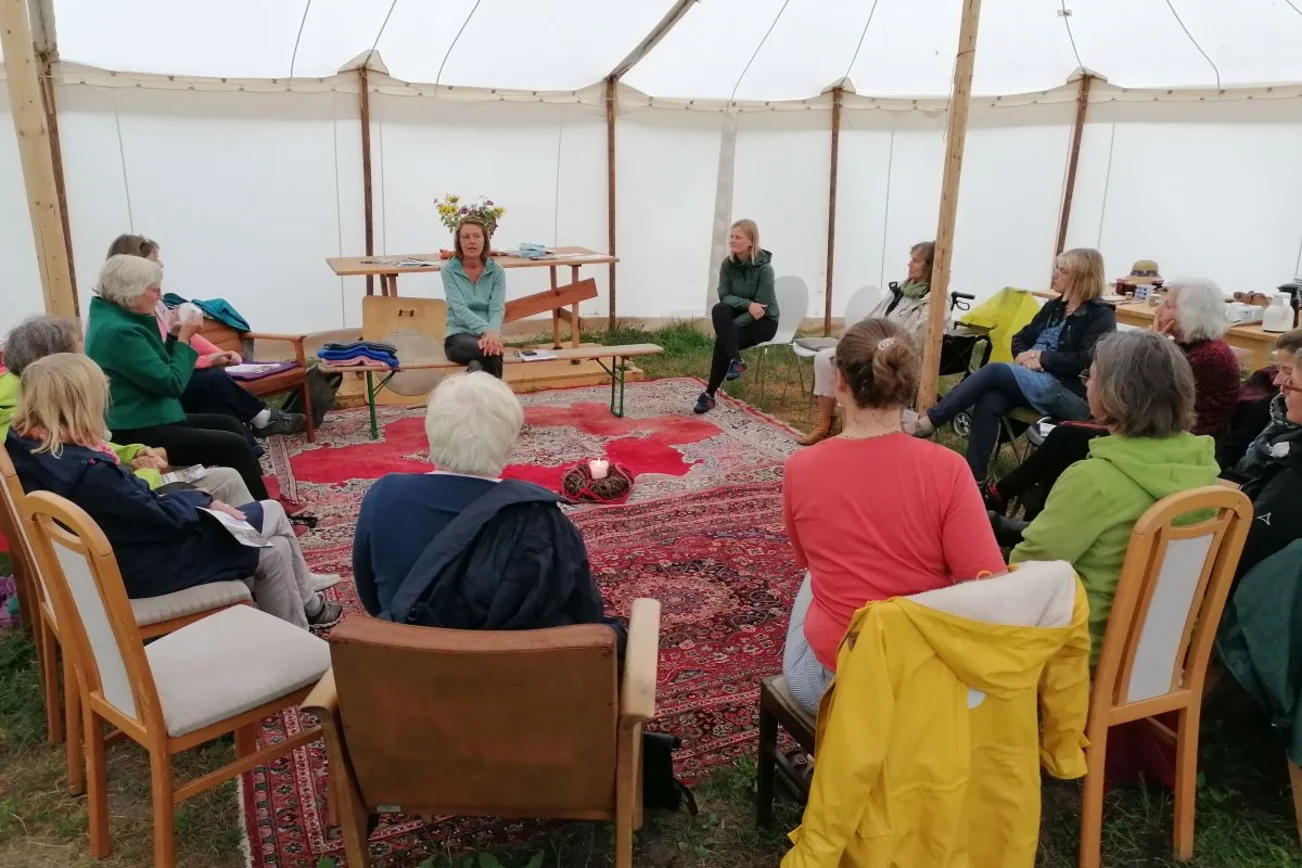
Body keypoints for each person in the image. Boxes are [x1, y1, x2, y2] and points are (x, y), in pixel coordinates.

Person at [4, 354, 340, 629]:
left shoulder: (24, 445)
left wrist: (199, 502)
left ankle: (299, 627)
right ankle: (303, 625)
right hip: (139, 568)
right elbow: (158, 517)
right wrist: (205, 503)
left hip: (114, 554)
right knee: (270, 515)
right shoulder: (89, 473)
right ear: (82, 404)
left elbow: (137, 508)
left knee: (272, 548)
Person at [780, 318, 1005, 713]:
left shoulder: (802, 467)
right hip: (919, 676)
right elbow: (988, 585)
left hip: (831, 682)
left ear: (840, 383)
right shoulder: (948, 468)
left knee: (815, 575)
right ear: (907, 384)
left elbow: (807, 561)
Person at [353, 372, 620, 641]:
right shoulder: (544, 521)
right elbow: (587, 621)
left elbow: (374, 602)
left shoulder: (384, 496)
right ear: (509, 442)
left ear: (431, 432)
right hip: (519, 676)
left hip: (408, 668)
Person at [1008, 330, 1221, 663]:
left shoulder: (1094, 480)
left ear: (1114, 393)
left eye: (1090, 377)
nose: (1086, 386)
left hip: (1081, 654)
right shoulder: (1205, 471)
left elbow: (1026, 572)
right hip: (1160, 655)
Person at [985, 278, 1241, 521]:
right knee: (1064, 445)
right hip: (1156, 431)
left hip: (1169, 440)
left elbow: (1141, 398)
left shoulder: (1209, 357)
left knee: (1066, 436)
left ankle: (1006, 498)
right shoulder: (1188, 348)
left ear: (1191, 314)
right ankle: (1033, 513)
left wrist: (1154, 345)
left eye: (1168, 305)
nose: (1158, 309)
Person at [0, 315, 255, 506]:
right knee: (229, 455)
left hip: (135, 444)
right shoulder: (37, 416)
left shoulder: (34, 406)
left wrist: (131, 452)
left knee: (226, 430)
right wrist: (147, 471)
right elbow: (117, 493)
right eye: (80, 353)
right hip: (133, 453)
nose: (88, 360)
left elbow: (89, 447)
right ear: (59, 365)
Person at [910, 248, 1115, 479]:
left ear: (1080, 276)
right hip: (1032, 379)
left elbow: (1087, 360)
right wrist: (1022, 355)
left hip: (1065, 392)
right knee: (989, 399)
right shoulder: (1054, 307)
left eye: (1062, 270)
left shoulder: (1100, 316)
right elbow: (1020, 337)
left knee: (995, 370)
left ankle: (932, 419)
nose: (1055, 274)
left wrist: (1042, 359)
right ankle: (974, 478)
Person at [84, 254, 269, 500]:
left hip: (149, 415)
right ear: (131, 291)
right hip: (136, 428)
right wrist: (183, 340)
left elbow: (158, 366)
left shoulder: (115, 318)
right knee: (231, 444)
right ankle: (261, 512)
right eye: (155, 290)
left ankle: (257, 494)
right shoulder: (119, 332)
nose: (159, 296)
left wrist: (172, 336)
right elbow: (170, 384)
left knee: (230, 425)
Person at [105, 234, 304, 438]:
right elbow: (165, 366)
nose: (161, 266)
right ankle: (260, 420)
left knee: (219, 406)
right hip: (151, 406)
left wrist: (220, 353)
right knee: (212, 380)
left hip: (171, 384)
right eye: (155, 260)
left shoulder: (151, 305)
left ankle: (249, 450)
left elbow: (183, 340)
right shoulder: (126, 322)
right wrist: (207, 359)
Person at [799, 241, 936, 445]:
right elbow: (873, 317)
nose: (909, 264)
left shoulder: (934, 300)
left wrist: (886, 344)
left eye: (915, 261)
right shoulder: (900, 290)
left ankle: (855, 427)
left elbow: (919, 338)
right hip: (870, 343)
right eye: (911, 259)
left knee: (854, 367)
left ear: (929, 266)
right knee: (823, 358)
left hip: (894, 352)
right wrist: (856, 337)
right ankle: (825, 422)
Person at [693, 219, 779, 414]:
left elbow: (761, 309)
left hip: (764, 322)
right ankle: (737, 362)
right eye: (731, 236)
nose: (732, 240)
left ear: (751, 241)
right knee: (719, 308)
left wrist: (730, 327)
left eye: (737, 237)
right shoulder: (728, 264)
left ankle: (709, 395)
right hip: (742, 312)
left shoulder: (765, 269)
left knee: (724, 339)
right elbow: (724, 296)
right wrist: (748, 304)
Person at [1222, 329, 1302, 489]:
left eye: (1288, 372)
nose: (1277, 381)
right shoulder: (1274, 404)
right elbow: (1234, 444)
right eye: (1277, 369)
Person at [442, 217, 507, 379]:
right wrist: (489, 331)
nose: (472, 241)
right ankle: (496, 401)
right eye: (466, 237)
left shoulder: (497, 271)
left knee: (481, 361)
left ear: (485, 240)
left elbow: (497, 307)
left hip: (488, 336)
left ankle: (474, 387)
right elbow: (459, 309)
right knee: (492, 351)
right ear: (459, 242)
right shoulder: (448, 270)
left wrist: (492, 332)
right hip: (458, 336)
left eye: (477, 236)